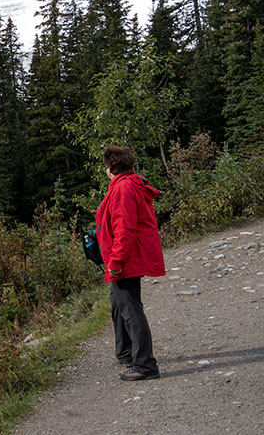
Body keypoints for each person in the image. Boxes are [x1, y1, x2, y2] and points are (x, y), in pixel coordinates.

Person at [96, 146, 165, 381]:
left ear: (109, 168)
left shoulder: (124, 188)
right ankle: (125, 352)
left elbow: (125, 226)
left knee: (130, 308)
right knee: (118, 303)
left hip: (126, 258)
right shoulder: (126, 185)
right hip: (128, 256)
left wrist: (116, 261)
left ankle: (145, 364)